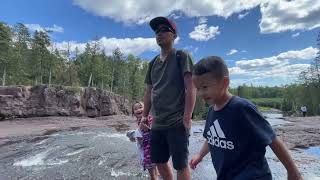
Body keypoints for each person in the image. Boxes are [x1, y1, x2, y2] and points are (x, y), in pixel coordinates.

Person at [189, 56, 303, 180]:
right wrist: (200, 155)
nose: (200, 93)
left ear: (224, 82)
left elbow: (272, 140)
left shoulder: (241, 108)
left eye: (204, 87)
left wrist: (293, 172)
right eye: (197, 88)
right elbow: (212, 137)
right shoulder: (212, 111)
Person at [141, 16, 196, 180]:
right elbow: (149, 91)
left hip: (177, 121)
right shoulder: (152, 63)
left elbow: (191, 88)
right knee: (159, 160)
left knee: (181, 164)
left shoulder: (181, 56)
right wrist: (144, 116)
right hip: (157, 123)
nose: (160, 33)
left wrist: (187, 117)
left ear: (174, 35)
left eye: (165, 30)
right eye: (157, 31)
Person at [127, 101, 158, 180]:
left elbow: (154, 131)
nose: (138, 110)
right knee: (155, 169)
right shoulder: (140, 121)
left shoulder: (148, 118)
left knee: (152, 174)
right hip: (149, 147)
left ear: (145, 108)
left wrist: (147, 129)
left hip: (150, 149)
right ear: (133, 113)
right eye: (135, 109)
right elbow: (143, 135)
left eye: (140, 107)